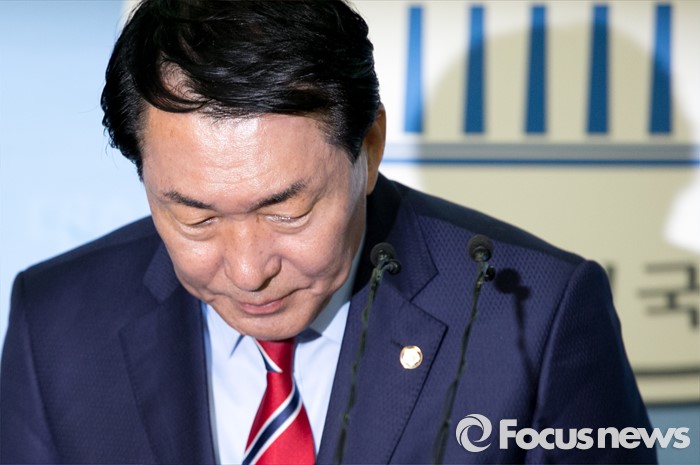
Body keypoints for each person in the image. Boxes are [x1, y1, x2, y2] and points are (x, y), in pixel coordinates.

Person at [0, 1, 656, 464]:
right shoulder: (56, 321)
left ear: (368, 146)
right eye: (196, 218)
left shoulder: (531, 314)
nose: (248, 269)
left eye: (285, 211)